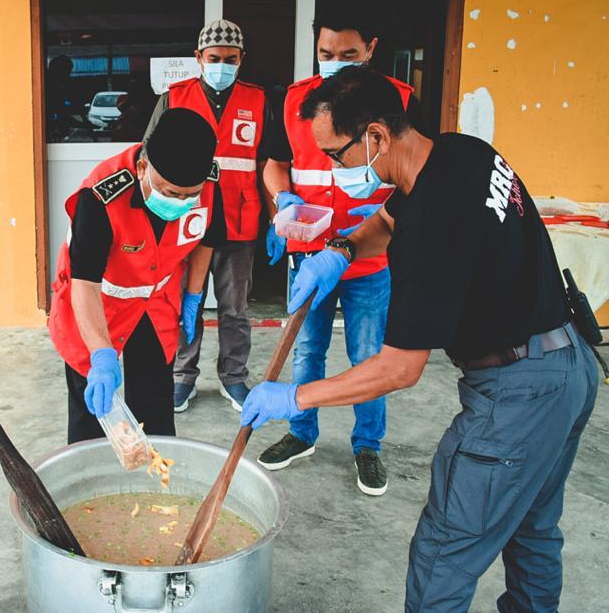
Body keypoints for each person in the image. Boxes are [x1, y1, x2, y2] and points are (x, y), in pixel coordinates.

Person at [242, 66, 600, 611]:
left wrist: (293, 398)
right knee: (531, 531)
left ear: (377, 136)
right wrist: (337, 253)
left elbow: (398, 369)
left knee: (444, 553)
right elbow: (385, 221)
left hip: (517, 394)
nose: (334, 167)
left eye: (336, 154)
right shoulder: (458, 153)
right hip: (570, 365)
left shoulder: (434, 229)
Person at [259, 10, 430, 495]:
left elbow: (419, 181)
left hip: (371, 257)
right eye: (326, 55)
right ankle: (301, 432)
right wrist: (282, 201)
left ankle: (368, 445)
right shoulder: (296, 101)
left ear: (371, 49)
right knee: (307, 349)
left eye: (348, 56)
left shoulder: (400, 100)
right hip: (310, 253)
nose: (336, 64)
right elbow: (275, 166)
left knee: (369, 353)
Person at [49, 108, 226, 442]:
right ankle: (91, 479)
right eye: (172, 192)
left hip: (155, 300)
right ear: (143, 168)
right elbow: (84, 283)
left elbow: (208, 238)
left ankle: (154, 480)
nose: (182, 202)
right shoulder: (100, 198)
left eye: (191, 194)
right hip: (98, 303)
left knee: (154, 403)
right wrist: (101, 354)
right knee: (96, 406)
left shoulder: (210, 182)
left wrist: (193, 295)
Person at [144, 18, 273, 414]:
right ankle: (183, 376)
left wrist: (276, 216)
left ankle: (234, 377)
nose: (222, 65)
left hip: (238, 222)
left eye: (230, 59)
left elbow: (268, 162)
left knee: (235, 308)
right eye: (214, 58)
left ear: (241, 60)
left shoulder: (258, 100)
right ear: (199, 58)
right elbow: (149, 155)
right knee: (188, 302)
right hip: (186, 220)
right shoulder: (174, 98)